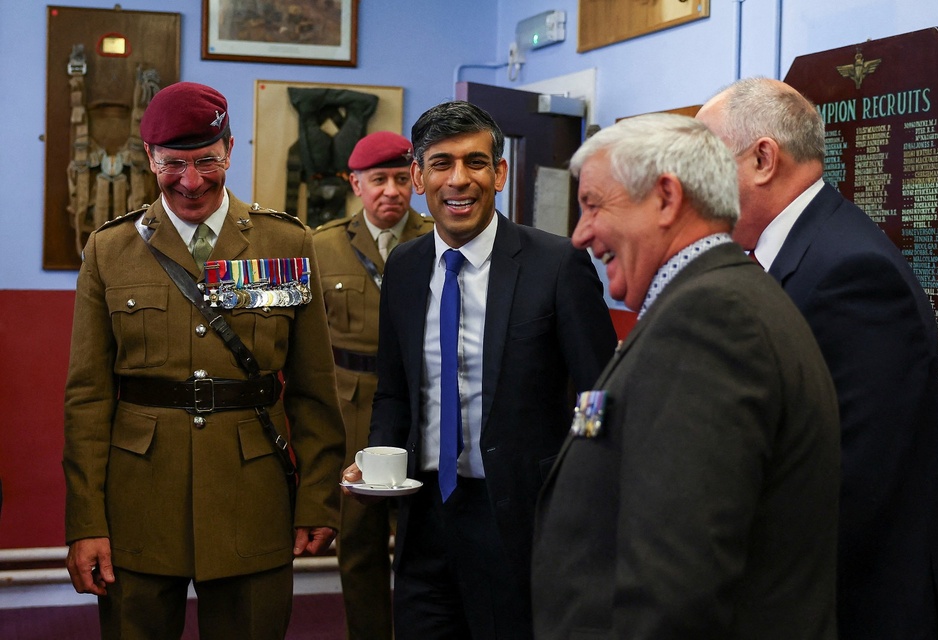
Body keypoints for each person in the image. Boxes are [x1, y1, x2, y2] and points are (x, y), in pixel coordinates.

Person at [532, 112, 842, 638]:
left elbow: (674, 584)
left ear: (666, 198)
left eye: (592, 206)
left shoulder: (711, 320)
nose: (580, 235)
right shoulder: (714, 299)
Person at [62, 81, 346, 640]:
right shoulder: (109, 249)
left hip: (252, 489)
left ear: (231, 150)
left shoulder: (285, 243)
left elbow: (314, 386)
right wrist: (86, 521)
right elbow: (88, 398)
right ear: (149, 157)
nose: (191, 181)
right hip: (139, 497)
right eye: (173, 164)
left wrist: (318, 496)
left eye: (207, 161)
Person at [341, 100, 618, 639]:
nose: (459, 180)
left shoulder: (555, 264)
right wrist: (377, 463)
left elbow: (600, 393)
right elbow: (394, 392)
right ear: (419, 177)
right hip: (424, 516)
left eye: (475, 162)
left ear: (500, 172)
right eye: (442, 163)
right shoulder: (406, 264)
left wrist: (584, 492)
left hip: (519, 518)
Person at [697, 77, 938, 640]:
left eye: (706, 162)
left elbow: (852, 478)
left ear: (763, 158)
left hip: (863, 607)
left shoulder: (850, 273)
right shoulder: (797, 252)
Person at [313, 130, 434, 640]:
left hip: (423, 405)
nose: (392, 191)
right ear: (355, 184)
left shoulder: (439, 237)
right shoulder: (322, 246)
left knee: (425, 535)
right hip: (352, 404)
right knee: (358, 540)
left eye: (401, 179)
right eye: (378, 179)